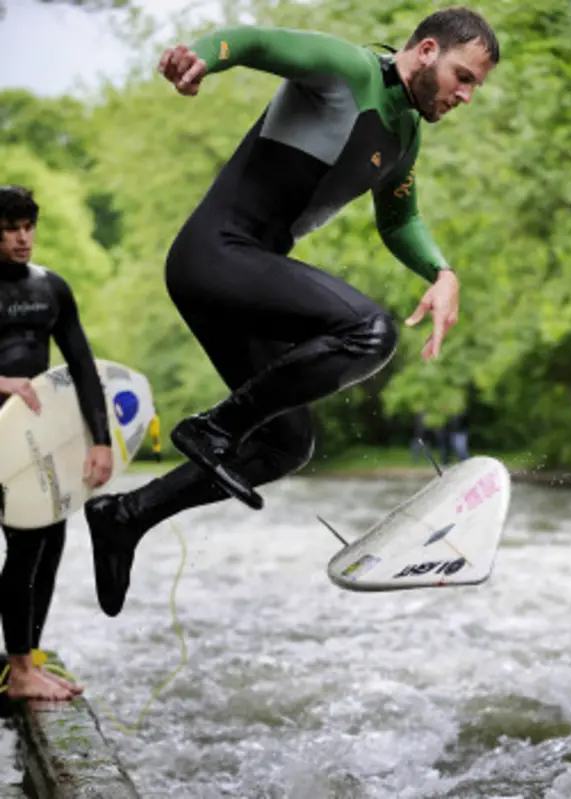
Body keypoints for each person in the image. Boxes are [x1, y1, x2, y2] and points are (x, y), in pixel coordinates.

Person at [85, 8, 500, 618]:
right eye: (462, 76)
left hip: (248, 282)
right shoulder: (346, 68)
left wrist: (441, 271)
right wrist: (200, 55)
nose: (466, 95)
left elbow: (399, 218)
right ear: (428, 50)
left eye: (475, 87)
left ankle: (126, 515)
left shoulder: (404, 135)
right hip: (215, 256)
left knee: (285, 444)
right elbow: (253, 42)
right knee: (370, 331)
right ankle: (214, 428)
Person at [0, 186, 113, 700]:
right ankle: (19, 668)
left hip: (31, 441)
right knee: (25, 545)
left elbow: (83, 368)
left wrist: (101, 440)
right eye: (10, 229)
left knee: (45, 544)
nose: (23, 239)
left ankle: (25, 662)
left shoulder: (52, 288)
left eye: (28, 227)